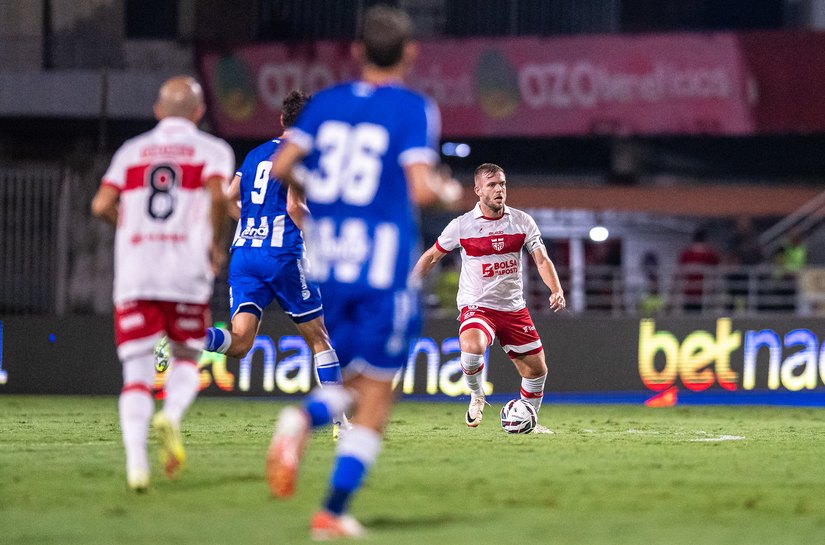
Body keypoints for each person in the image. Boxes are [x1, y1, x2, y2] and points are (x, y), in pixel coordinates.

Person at [267, 5, 460, 539]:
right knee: (376, 396)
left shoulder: (324, 104)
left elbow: (284, 167)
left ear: (356, 51)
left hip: (331, 263)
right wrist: (445, 189)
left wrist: (326, 188)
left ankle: (302, 424)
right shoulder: (413, 108)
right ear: (411, 52)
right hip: (382, 266)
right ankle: (329, 505)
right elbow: (421, 187)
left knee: (354, 382)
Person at [90, 76, 234, 492]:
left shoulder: (131, 151)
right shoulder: (212, 150)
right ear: (199, 112)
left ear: (157, 111)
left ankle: (137, 465)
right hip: (185, 271)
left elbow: (101, 204)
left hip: (137, 272)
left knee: (135, 374)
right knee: (187, 356)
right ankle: (170, 414)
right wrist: (213, 244)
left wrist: (127, 224)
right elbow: (217, 196)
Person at [196, 90, 343, 395]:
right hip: (282, 255)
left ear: (281, 119)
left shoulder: (254, 155)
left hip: (244, 255)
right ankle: (342, 424)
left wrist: (251, 223)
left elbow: (225, 198)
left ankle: (183, 339)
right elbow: (293, 206)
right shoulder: (301, 153)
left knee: (239, 343)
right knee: (319, 338)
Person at [413, 163, 565, 433]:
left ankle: (530, 421)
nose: (499, 189)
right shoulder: (462, 225)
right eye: (492, 185)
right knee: (472, 347)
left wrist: (556, 289)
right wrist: (409, 284)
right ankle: (477, 395)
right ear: (478, 190)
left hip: (513, 308)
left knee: (537, 371)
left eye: (502, 184)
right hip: (477, 306)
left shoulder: (522, 221)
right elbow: (432, 256)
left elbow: (541, 259)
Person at [677, 229, 721, 312]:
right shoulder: (710, 254)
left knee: (688, 318)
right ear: (705, 240)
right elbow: (717, 270)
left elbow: (679, 272)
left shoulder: (686, 254)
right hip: (705, 293)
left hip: (689, 291)